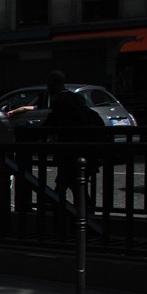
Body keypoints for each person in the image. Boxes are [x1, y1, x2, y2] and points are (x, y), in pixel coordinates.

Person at [34, 71, 104, 211]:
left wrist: (35, 136)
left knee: (66, 181)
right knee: (72, 182)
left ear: (52, 85)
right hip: (83, 148)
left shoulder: (60, 102)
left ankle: (64, 209)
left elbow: (50, 124)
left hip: (69, 150)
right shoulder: (77, 98)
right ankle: (82, 209)